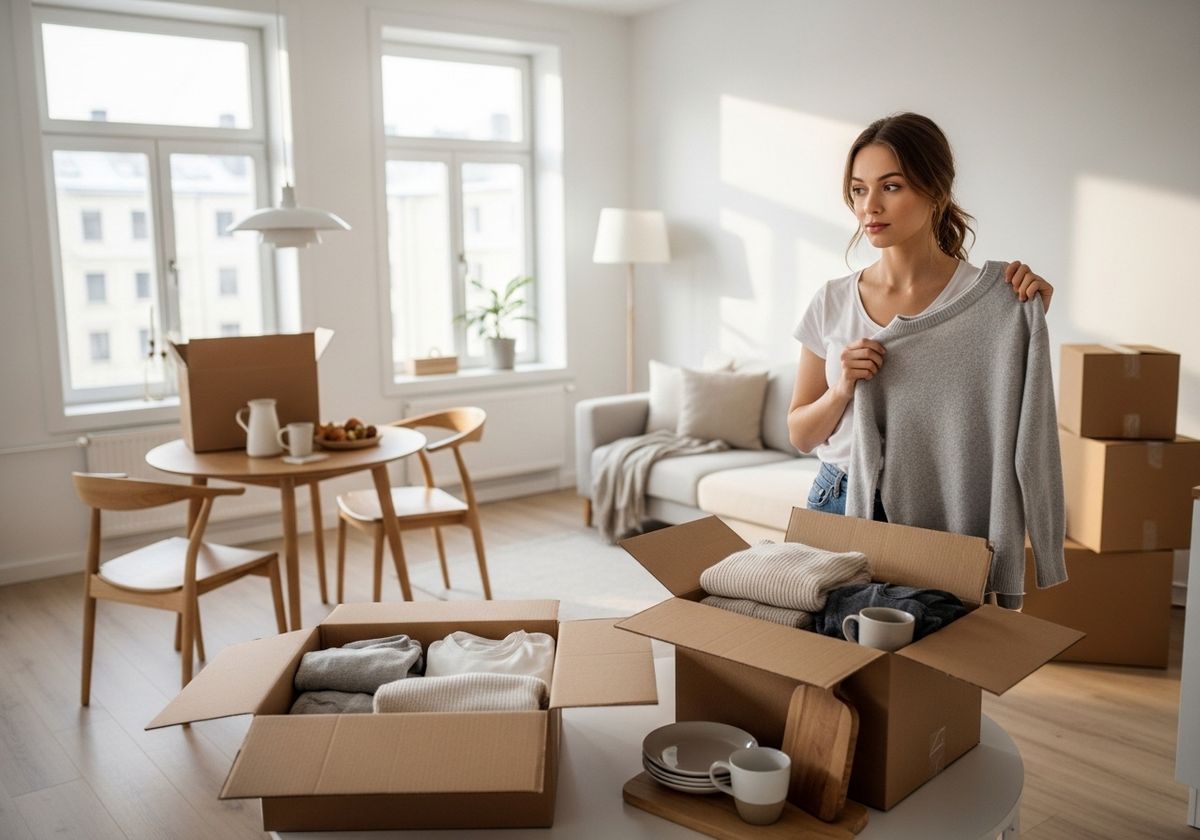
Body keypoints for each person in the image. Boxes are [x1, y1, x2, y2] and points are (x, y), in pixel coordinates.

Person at [788, 112, 1053, 518]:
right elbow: (801, 435)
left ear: (936, 190)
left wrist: (1025, 321)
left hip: (940, 508)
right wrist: (841, 388)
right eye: (859, 190)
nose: (870, 207)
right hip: (837, 497)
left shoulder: (989, 299)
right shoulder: (833, 300)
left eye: (891, 187)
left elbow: (1010, 426)